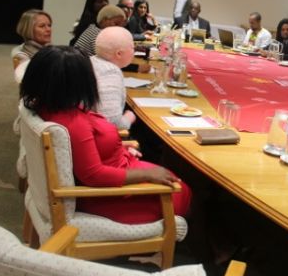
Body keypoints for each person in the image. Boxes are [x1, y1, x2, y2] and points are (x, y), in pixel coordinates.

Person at [20, 45, 191, 224]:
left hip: (118, 172)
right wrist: (148, 175)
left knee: (177, 181)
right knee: (183, 191)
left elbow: (80, 150)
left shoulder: (48, 106)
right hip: (108, 196)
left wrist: (119, 147)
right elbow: (94, 175)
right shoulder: (73, 122)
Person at [91, 27, 137, 131]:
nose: (134, 51)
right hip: (97, 135)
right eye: (132, 47)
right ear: (119, 54)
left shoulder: (93, 61)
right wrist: (129, 118)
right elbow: (112, 123)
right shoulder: (110, 72)